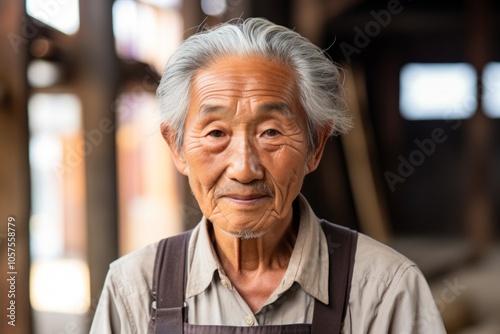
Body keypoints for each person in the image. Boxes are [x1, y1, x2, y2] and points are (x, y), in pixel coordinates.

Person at [90, 18, 446, 333]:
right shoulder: (134, 289)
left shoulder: (385, 288)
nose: (244, 169)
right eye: (216, 133)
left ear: (316, 146)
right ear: (177, 148)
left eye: (271, 132)